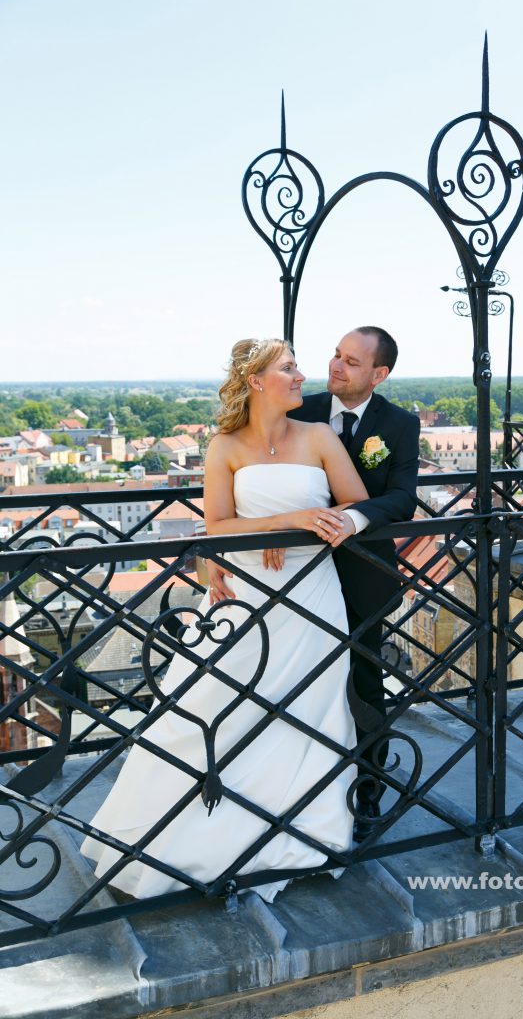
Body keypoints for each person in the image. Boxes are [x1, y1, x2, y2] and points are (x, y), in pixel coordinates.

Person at [81, 338, 368, 902]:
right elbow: (216, 525)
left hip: (312, 595)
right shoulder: (224, 446)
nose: (300, 374)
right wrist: (283, 523)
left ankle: (303, 833)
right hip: (245, 595)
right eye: (288, 368)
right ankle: (194, 836)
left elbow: (356, 504)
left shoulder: (320, 437)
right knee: (216, 705)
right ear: (257, 381)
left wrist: (319, 527)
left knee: (311, 706)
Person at [207, 327, 420, 840]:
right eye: (335, 355)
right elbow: (243, 500)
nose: (334, 366)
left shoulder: (399, 424)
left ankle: (366, 792)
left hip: (357, 575)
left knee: (362, 688)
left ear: (379, 373)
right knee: (273, 687)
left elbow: (398, 500)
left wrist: (320, 520)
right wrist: (283, 523)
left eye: (351, 361)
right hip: (281, 574)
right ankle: (264, 793)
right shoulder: (298, 407)